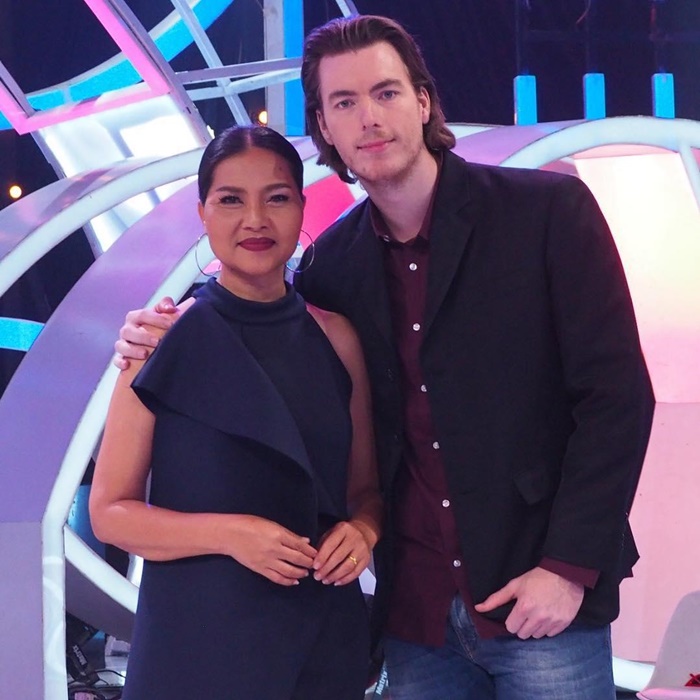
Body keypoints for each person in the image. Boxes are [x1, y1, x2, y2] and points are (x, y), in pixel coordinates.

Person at [114, 14, 655, 700]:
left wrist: (569, 568)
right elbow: (262, 314)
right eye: (344, 102)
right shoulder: (332, 268)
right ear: (324, 127)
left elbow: (616, 399)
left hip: (539, 602)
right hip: (414, 621)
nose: (368, 117)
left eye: (386, 92)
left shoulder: (546, 214)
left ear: (423, 101)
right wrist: (162, 325)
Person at [91, 124, 381, 700]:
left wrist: (364, 532)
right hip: (199, 640)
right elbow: (109, 513)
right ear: (202, 213)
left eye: (277, 198)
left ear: (302, 208)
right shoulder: (160, 338)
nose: (255, 220)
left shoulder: (337, 337)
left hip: (322, 637)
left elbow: (366, 490)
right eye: (230, 200)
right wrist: (231, 534)